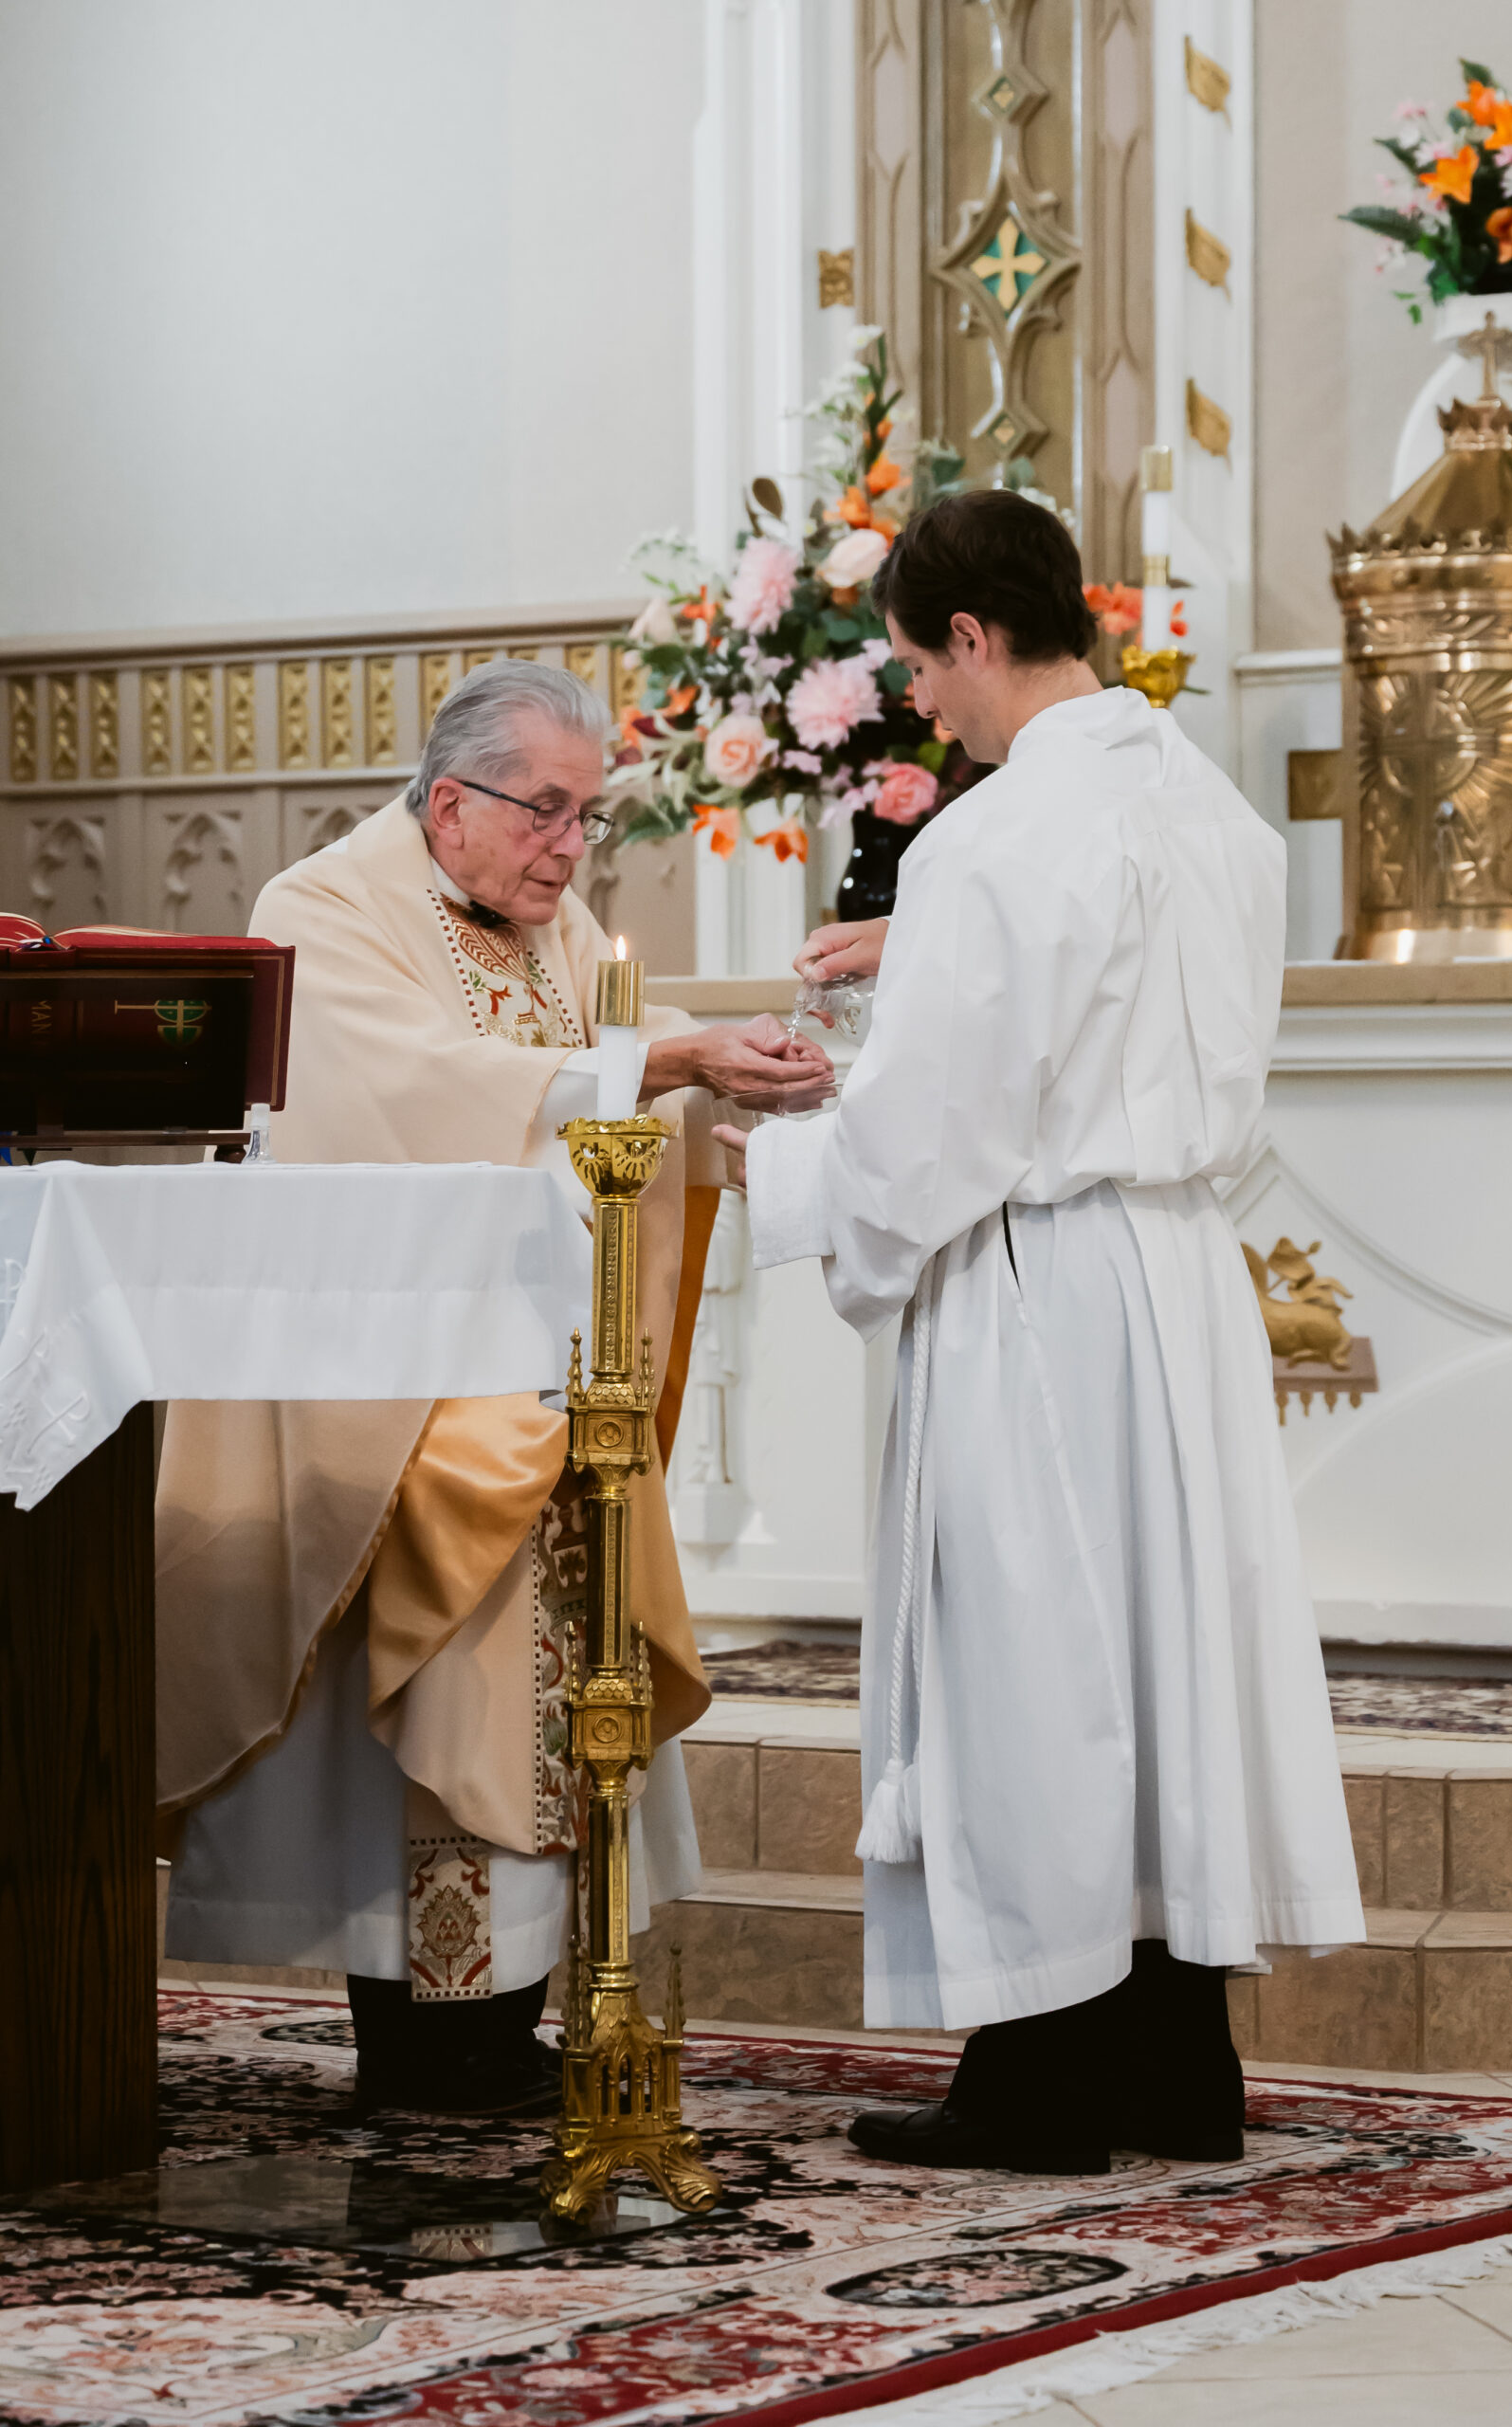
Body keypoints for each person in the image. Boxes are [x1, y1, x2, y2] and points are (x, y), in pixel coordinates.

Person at [716, 490, 1363, 2173]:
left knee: (1032, 1667)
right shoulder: (1207, 805)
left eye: (924, 664)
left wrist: (775, 1169)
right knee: (1159, 1668)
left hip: (1040, 1287)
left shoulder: (991, 837)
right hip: (1173, 1274)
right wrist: (918, 946)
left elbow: (941, 1133)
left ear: (977, 639)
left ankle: (1042, 2079)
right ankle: (1174, 2062)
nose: (926, 701)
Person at [157, 660, 831, 2116]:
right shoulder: (320, 909)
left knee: (551, 1635)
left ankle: (501, 2012)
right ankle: (425, 2031)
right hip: (383, 1397)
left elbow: (606, 1088)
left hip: (529, 1370)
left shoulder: (555, 925)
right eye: (546, 812)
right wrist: (659, 1057)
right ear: (450, 800)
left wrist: (722, 1089)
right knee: (469, 1610)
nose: (568, 848)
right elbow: (413, 1091)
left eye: (586, 818)